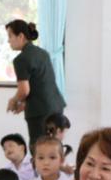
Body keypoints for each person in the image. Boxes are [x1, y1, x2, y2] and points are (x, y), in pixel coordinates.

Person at [5, 20, 66, 150]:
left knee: (39, 149)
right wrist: (25, 103)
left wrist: (13, 100)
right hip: (56, 107)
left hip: (40, 113)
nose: (8, 41)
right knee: (54, 148)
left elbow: (24, 90)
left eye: (10, 36)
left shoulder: (21, 59)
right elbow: (42, 83)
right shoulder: (43, 53)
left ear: (21, 36)